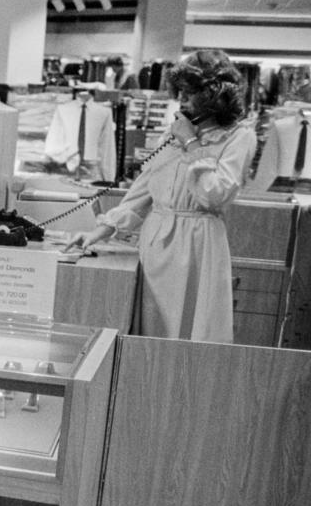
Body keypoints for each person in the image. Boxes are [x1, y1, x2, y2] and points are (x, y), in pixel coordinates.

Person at [65, 50, 257, 343]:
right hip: (157, 246)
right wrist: (100, 231)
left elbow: (215, 196)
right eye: (180, 93)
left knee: (192, 333)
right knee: (152, 331)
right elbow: (142, 191)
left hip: (197, 246)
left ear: (212, 97)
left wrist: (191, 144)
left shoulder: (238, 137)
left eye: (189, 94)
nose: (182, 101)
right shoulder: (173, 134)